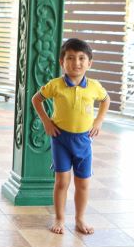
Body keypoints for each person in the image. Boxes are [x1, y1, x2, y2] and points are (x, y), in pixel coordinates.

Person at [32, 38, 110, 235]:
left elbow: (105, 99)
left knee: (83, 183)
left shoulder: (94, 86)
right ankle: (59, 218)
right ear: (62, 62)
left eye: (82, 58)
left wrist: (98, 121)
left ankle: (80, 218)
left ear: (89, 63)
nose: (76, 63)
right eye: (71, 58)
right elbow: (36, 99)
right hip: (61, 139)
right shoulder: (55, 85)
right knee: (62, 182)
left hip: (84, 141)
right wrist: (46, 122)